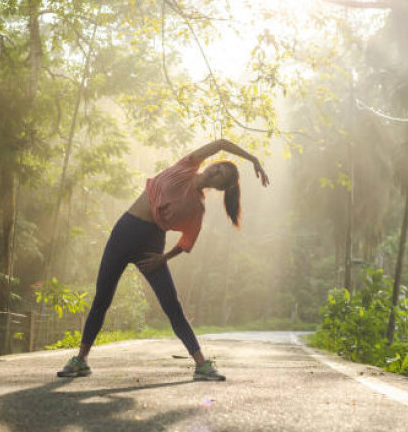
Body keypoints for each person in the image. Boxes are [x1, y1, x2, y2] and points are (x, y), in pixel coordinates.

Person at [57, 138, 269, 381]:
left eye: (223, 176)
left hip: (151, 246)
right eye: (219, 166)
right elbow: (220, 143)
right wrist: (253, 159)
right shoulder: (185, 166)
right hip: (123, 232)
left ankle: (201, 365)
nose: (217, 171)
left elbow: (187, 241)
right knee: (102, 298)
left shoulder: (197, 209)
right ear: (212, 164)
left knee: (172, 306)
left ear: (221, 187)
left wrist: (163, 258)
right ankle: (81, 359)